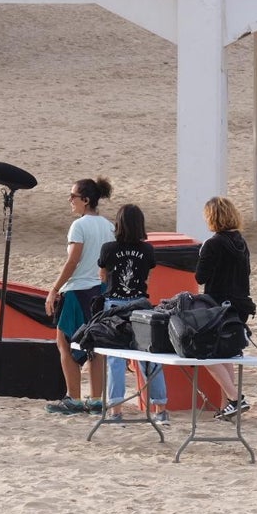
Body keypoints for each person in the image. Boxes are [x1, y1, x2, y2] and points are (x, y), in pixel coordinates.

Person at [43, 177, 115, 414]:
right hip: (100, 290)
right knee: (96, 345)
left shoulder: (80, 226)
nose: (70, 200)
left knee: (64, 341)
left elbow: (72, 261)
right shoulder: (108, 226)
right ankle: (95, 399)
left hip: (77, 290)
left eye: (73, 196)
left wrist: (54, 289)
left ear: (85, 200)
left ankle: (73, 398)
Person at [98, 203, 168, 424]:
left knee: (115, 359)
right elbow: (147, 278)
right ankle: (160, 408)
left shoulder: (108, 249)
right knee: (150, 357)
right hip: (140, 304)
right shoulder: (147, 250)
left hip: (115, 305)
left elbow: (102, 277)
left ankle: (115, 410)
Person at [194, 196, 257, 420]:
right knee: (227, 353)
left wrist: (201, 256)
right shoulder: (241, 242)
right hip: (240, 305)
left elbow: (200, 277)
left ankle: (234, 398)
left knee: (207, 353)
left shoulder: (212, 244)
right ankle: (227, 406)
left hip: (217, 305)